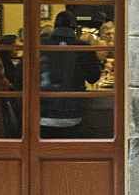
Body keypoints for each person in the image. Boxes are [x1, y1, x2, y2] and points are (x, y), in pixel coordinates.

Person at [40, 10, 101, 138]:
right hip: (73, 113)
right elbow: (93, 78)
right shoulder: (83, 48)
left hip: (41, 114)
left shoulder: (39, 46)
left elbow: (20, 77)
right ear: (74, 27)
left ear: (55, 26)